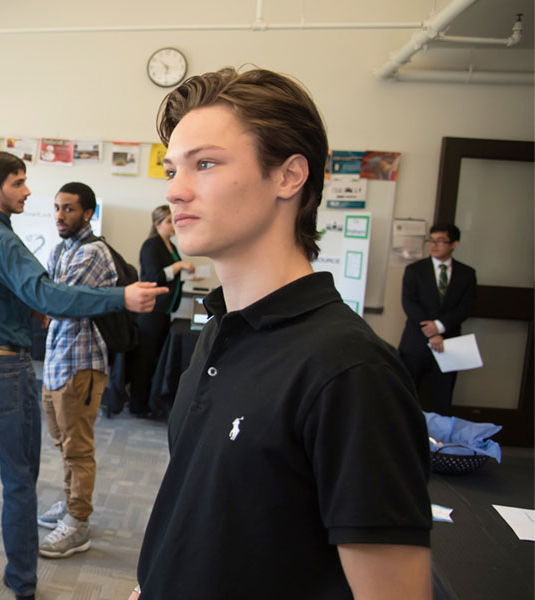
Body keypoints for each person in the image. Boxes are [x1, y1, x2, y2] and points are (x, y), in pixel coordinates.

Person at [132, 67, 432, 600]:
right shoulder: (222, 330)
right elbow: (212, 515)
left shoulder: (348, 370)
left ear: (290, 177)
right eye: (173, 169)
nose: (176, 191)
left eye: (205, 164)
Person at [0, 151, 167, 600]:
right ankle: (22, 582)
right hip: (3, 368)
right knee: (18, 477)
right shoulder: (3, 241)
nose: (28, 191)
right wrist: (121, 297)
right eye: (19, 183)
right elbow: (49, 295)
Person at [36, 181, 113, 559]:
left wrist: (47, 297)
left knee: (78, 449)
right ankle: (69, 504)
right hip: (56, 363)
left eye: (68, 209)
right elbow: (49, 296)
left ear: (87, 213)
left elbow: (56, 300)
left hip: (81, 364)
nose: (60, 216)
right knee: (62, 443)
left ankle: (78, 522)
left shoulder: (94, 252)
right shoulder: (61, 248)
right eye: (56, 208)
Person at [398, 223, 477, 415]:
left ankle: (440, 442)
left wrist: (439, 327)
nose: (434, 245)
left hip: (449, 342)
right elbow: (409, 303)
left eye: (440, 241)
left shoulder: (466, 274)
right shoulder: (415, 270)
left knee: (443, 395)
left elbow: (465, 308)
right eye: (431, 241)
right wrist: (430, 330)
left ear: (454, 244)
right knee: (406, 393)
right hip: (415, 342)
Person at [128, 205, 195, 417]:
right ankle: (138, 405)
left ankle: (150, 402)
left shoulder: (171, 247)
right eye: (168, 221)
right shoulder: (151, 245)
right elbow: (154, 276)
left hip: (165, 310)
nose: (173, 225)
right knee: (145, 359)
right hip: (151, 310)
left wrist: (184, 273)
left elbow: (169, 278)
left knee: (156, 359)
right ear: (157, 224)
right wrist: (179, 267)